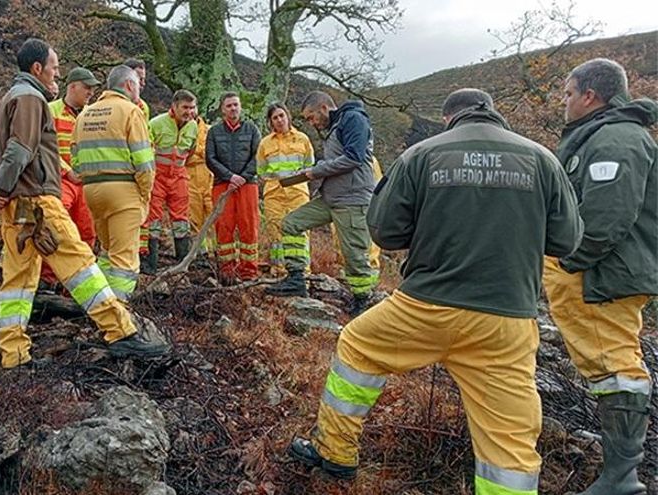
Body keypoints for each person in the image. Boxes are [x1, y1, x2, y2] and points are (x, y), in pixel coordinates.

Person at [287, 89, 583, 495]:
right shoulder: (543, 160)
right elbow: (567, 240)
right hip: (507, 320)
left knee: (356, 345)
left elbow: (386, 231)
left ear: (448, 119)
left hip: (424, 307)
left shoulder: (422, 154)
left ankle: (335, 452)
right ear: (493, 114)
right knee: (509, 439)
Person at [0, 39, 169, 368]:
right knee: (80, 263)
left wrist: (0, 193)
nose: (57, 74)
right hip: (39, 201)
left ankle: (13, 355)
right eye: (54, 67)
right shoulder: (30, 98)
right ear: (37, 69)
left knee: (16, 281)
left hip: (18, 206)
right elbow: (20, 151)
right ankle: (121, 332)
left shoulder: (6, 100)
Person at [542, 58, 657, 495]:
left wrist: (570, 262)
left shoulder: (616, 140)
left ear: (590, 95)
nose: (564, 102)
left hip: (602, 277)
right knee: (607, 366)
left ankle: (621, 478)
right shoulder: (607, 135)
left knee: (615, 368)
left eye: (568, 93)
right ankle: (618, 470)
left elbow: (606, 218)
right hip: (599, 273)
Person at [266, 91, 378, 314]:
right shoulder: (334, 128)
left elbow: (354, 158)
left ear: (324, 108)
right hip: (331, 198)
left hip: (352, 199)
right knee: (291, 223)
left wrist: (314, 171)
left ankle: (363, 300)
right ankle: (297, 279)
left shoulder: (354, 119)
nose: (311, 122)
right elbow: (336, 162)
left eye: (311, 117)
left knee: (354, 254)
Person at [72, 64, 156, 302]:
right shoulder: (131, 111)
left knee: (107, 254)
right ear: (129, 85)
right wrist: (145, 194)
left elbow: (76, 160)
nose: (139, 90)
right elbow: (144, 162)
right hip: (123, 191)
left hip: (91, 191)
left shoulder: (85, 114)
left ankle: (97, 303)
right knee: (124, 259)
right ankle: (119, 312)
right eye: (138, 85)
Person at [40, 67, 101, 289]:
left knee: (86, 232)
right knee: (56, 228)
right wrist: (67, 171)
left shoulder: (92, 114)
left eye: (93, 88)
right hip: (59, 181)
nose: (90, 92)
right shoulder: (50, 110)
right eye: (87, 87)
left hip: (85, 183)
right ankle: (48, 280)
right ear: (73, 86)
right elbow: (44, 148)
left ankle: (78, 285)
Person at [140, 90, 199, 274]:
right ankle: (151, 263)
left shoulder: (193, 127)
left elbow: (190, 152)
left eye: (192, 108)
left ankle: (182, 263)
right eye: (185, 107)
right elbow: (145, 150)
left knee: (181, 220)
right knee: (154, 219)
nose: (189, 112)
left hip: (179, 176)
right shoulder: (156, 124)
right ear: (174, 106)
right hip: (157, 176)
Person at [205, 92, 261, 282]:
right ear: (222, 109)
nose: (233, 108)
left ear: (241, 107)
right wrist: (229, 176)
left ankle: (249, 272)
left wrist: (243, 177)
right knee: (224, 225)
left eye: (236, 105)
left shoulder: (252, 129)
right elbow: (210, 159)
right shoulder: (213, 132)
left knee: (249, 226)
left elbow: (258, 156)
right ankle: (227, 272)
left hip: (248, 185)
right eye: (229, 106)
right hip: (222, 184)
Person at [256, 102, 314, 274]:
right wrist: (275, 179)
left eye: (282, 115)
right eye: (275, 118)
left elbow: (309, 165)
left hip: (298, 193)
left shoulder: (302, 139)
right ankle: (279, 270)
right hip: (274, 194)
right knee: (276, 232)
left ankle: (302, 272)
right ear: (270, 122)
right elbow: (261, 170)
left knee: (300, 232)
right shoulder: (265, 143)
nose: (279, 120)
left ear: (288, 116)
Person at [185, 106, 215, 256]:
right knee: (194, 220)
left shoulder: (210, 130)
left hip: (209, 177)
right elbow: (182, 155)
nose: (190, 112)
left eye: (193, 108)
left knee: (214, 217)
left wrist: (196, 152)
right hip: (189, 179)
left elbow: (212, 153)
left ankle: (217, 254)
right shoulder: (181, 131)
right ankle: (201, 255)